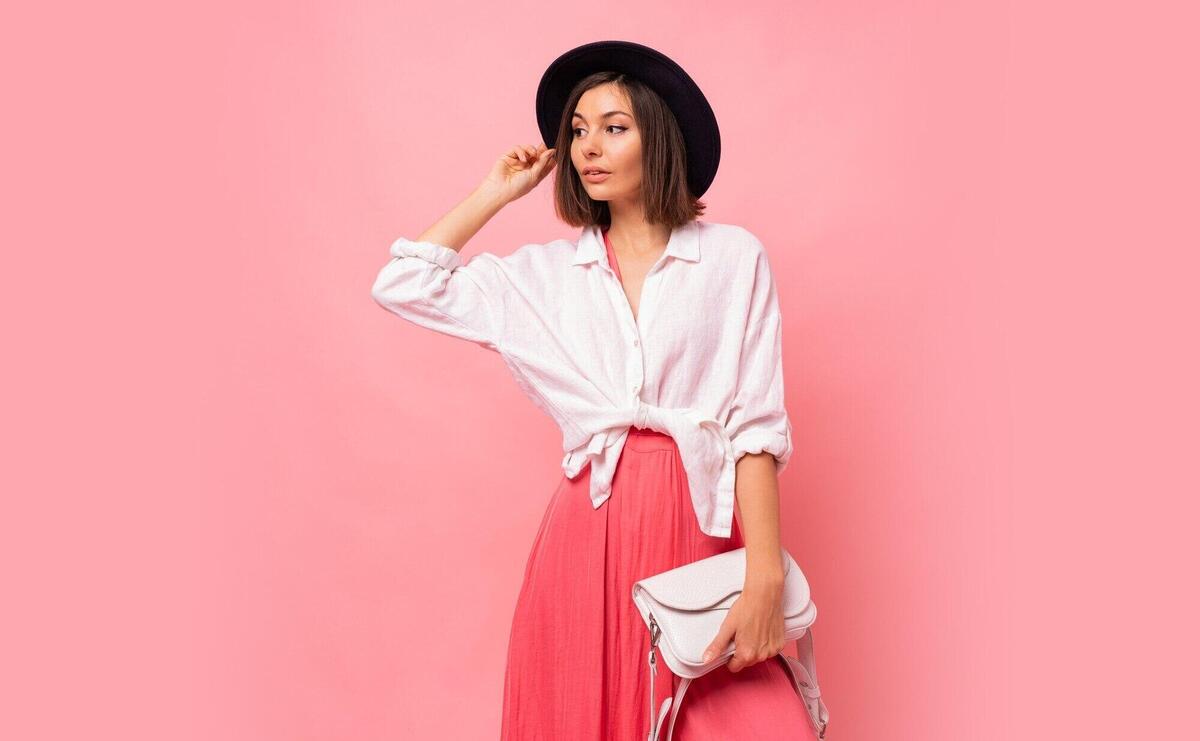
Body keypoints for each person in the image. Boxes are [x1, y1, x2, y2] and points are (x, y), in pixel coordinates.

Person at [372, 40, 820, 740]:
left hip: (699, 527)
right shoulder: (545, 277)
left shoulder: (733, 259)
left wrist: (764, 571)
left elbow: (753, 427)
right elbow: (404, 284)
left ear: (658, 138)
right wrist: (497, 191)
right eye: (578, 129)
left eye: (614, 127)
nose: (589, 146)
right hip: (587, 534)